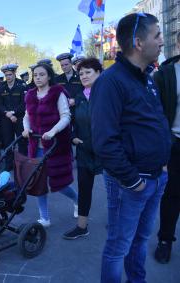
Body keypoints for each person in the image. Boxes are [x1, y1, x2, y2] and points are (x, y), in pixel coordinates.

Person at [90, 13, 170, 283]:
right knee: (118, 246)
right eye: (157, 35)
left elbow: (155, 122)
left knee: (141, 239)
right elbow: (104, 141)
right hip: (132, 183)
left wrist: (163, 166)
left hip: (156, 177)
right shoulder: (110, 82)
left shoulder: (147, 77)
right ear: (138, 42)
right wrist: (133, 181)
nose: (161, 41)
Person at [23, 63, 78, 227]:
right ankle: (44, 217)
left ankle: (78, 201)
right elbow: (26, 117)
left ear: (48, 76)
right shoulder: (30, 95)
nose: (38, 78)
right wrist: (26, 129)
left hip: (55, 146)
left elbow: (66, 116)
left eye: (41, 74)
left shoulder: (57, 92)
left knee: (59, 183)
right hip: (36, 146)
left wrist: (53, 132)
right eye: (35, 75)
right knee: (39, 182)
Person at [63, 58, 103, 240]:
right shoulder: (78, 98)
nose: (84, 76)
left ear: (99, 73)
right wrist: (72, 138)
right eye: (81, 73)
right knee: (84, 189)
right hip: (84, 150)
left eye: (88, 72)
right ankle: (81, 226)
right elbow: (69, 121)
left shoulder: (108, 94)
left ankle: (119, 223)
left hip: (107, 152)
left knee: (116, 191)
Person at [153, 31, 180, 264]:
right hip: (175, 143)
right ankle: (165, 240)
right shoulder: (166, 74)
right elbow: (157, 114)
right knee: (172, 194)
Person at [0, 64, 28, 171]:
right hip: (6, 118)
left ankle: (23, 164)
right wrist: (7, 113)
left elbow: (24, 102)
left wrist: (14, 112)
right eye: (6, 75)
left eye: (10, 74)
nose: (8, 77)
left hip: (19, 118)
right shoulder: (1, 86)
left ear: (14, 74)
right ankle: (9, 164)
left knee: (22, 142)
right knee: (8, 142)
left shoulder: (22, 85)